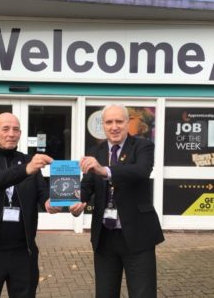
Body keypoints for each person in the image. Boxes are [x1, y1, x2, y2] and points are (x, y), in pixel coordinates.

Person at [70, 104, 164, 298]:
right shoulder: (96, 151)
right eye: (109, 122)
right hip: (105, 238)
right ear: (103, 125)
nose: (114, 126)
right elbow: (87, 183)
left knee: (142, 293)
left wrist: (106, 171)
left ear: (127, 123)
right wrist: (79, 200)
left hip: (138, 236)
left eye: (119, 121)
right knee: (105, 293)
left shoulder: (143, 146)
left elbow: (141, 171)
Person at [0, 112, 60, 298]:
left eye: (16, 129)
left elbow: (41, 190)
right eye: (6, 129)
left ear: (20, 133)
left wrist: (50, 202)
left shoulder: (27, 160)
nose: (11, 133)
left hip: (23, 253)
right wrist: (26, 170)